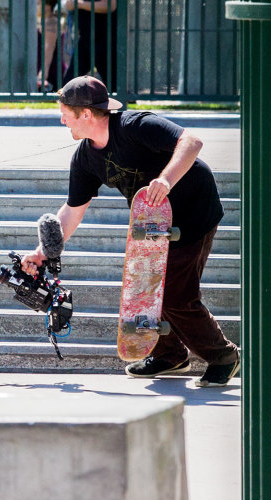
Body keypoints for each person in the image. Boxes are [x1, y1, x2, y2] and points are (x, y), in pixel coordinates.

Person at [21, 75, 240, 387]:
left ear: (85, 114)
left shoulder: (136, 126)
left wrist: (165, 179)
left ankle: (224, 356)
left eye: (65, 114)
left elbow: (192, 142)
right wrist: (43, 253)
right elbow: (71, 211)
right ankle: (169, 355)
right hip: (152, 225)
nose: (61, 120)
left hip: (194, 212)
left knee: (177, 293)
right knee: (145, 289)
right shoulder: (84, 158)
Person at [61, 0, 118, 90]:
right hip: (87, 39)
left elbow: (109, 5)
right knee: (68, 83)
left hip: (104, 39)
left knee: (115, 85)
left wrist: (78, 3)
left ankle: (127, 108)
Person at [36, 0, 61, 92]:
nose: (35, 6)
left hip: (49, 70)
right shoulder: (45, 21)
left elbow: (49, 48)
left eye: (38, 3)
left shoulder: (51, 22)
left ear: (47, 6)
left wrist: (43, 74)